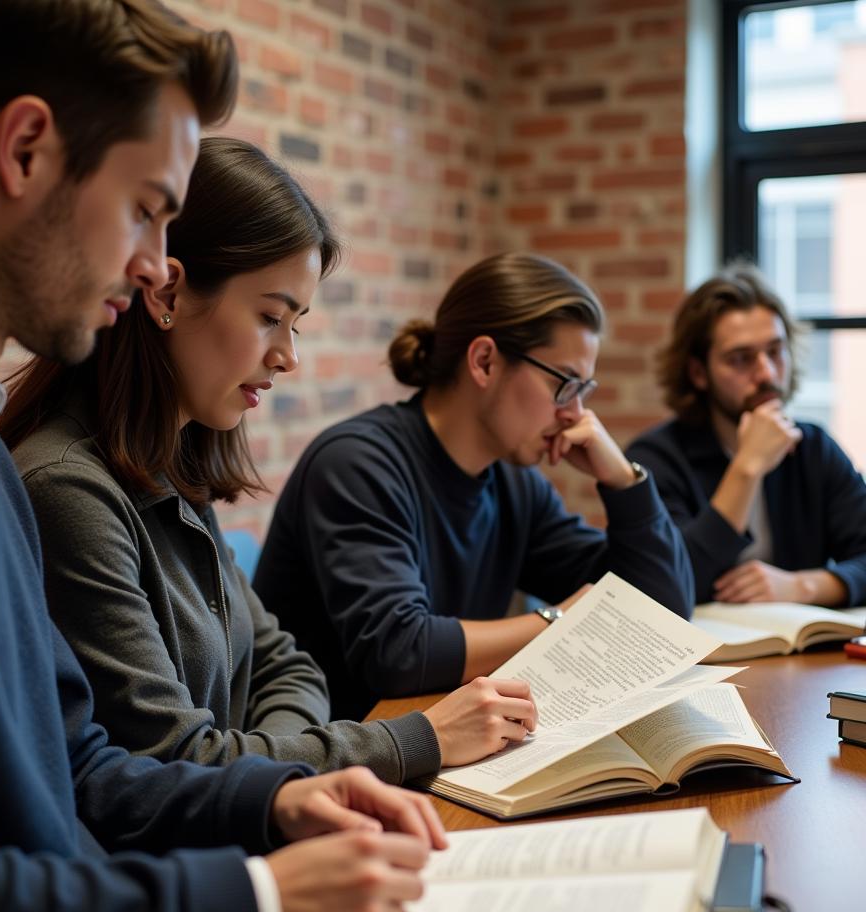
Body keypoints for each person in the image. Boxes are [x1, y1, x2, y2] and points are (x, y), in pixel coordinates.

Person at [0, 4, 445, 912]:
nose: (158, 263)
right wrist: (251, 901)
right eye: (145, 208)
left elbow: (79, 766)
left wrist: (279, 795)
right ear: (26, 149)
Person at [0, 136, 539, 787]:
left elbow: (289, 665)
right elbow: (178, 765)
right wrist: (417, 740)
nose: (289, 356)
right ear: (166, 295)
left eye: (297, 324)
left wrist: (255, 760)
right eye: (269, 317)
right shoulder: (67, 491)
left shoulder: (167, 467)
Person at [254, 252, 695, 722]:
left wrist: (625, 481)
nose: (575, 415)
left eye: (584, 391)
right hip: (341, 763)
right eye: (566, 385)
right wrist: (560, 621)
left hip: (444, 746)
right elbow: (397, 652)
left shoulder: (516, 484)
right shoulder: (356, 463)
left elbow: (661, 613)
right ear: (484, 361)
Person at [626, 263, 866, 607]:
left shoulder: (813, 447)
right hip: (701, 655)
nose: (766, 372)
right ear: (698, 373)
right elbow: (668, 584)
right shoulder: (654, 458)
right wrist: (747, 467)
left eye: (775, 351)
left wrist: (804, 587)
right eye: (741, 359)